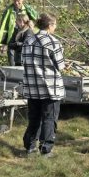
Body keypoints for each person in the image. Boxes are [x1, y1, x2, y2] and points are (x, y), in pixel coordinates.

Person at [22, 12, 65, 157]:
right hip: (49, 88)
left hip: (32, 87)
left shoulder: (28, 40)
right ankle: (46, 148)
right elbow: (60, 65)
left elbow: (23, 61)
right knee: (49, 118)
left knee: (34, 118)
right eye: (55, 24)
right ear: (50, 25)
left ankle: (30, 146)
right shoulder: (53, 42)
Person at [0, 0, 38, 66]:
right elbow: (4, 27)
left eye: (18, 1)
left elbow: (37, 20)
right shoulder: (9, 10)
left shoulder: (28, 9)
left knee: (24, 62)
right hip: (12, 38)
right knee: (12, 63)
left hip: (24, 39)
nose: (16, 3)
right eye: (14, 1)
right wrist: (3, 43)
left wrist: (31, 22)